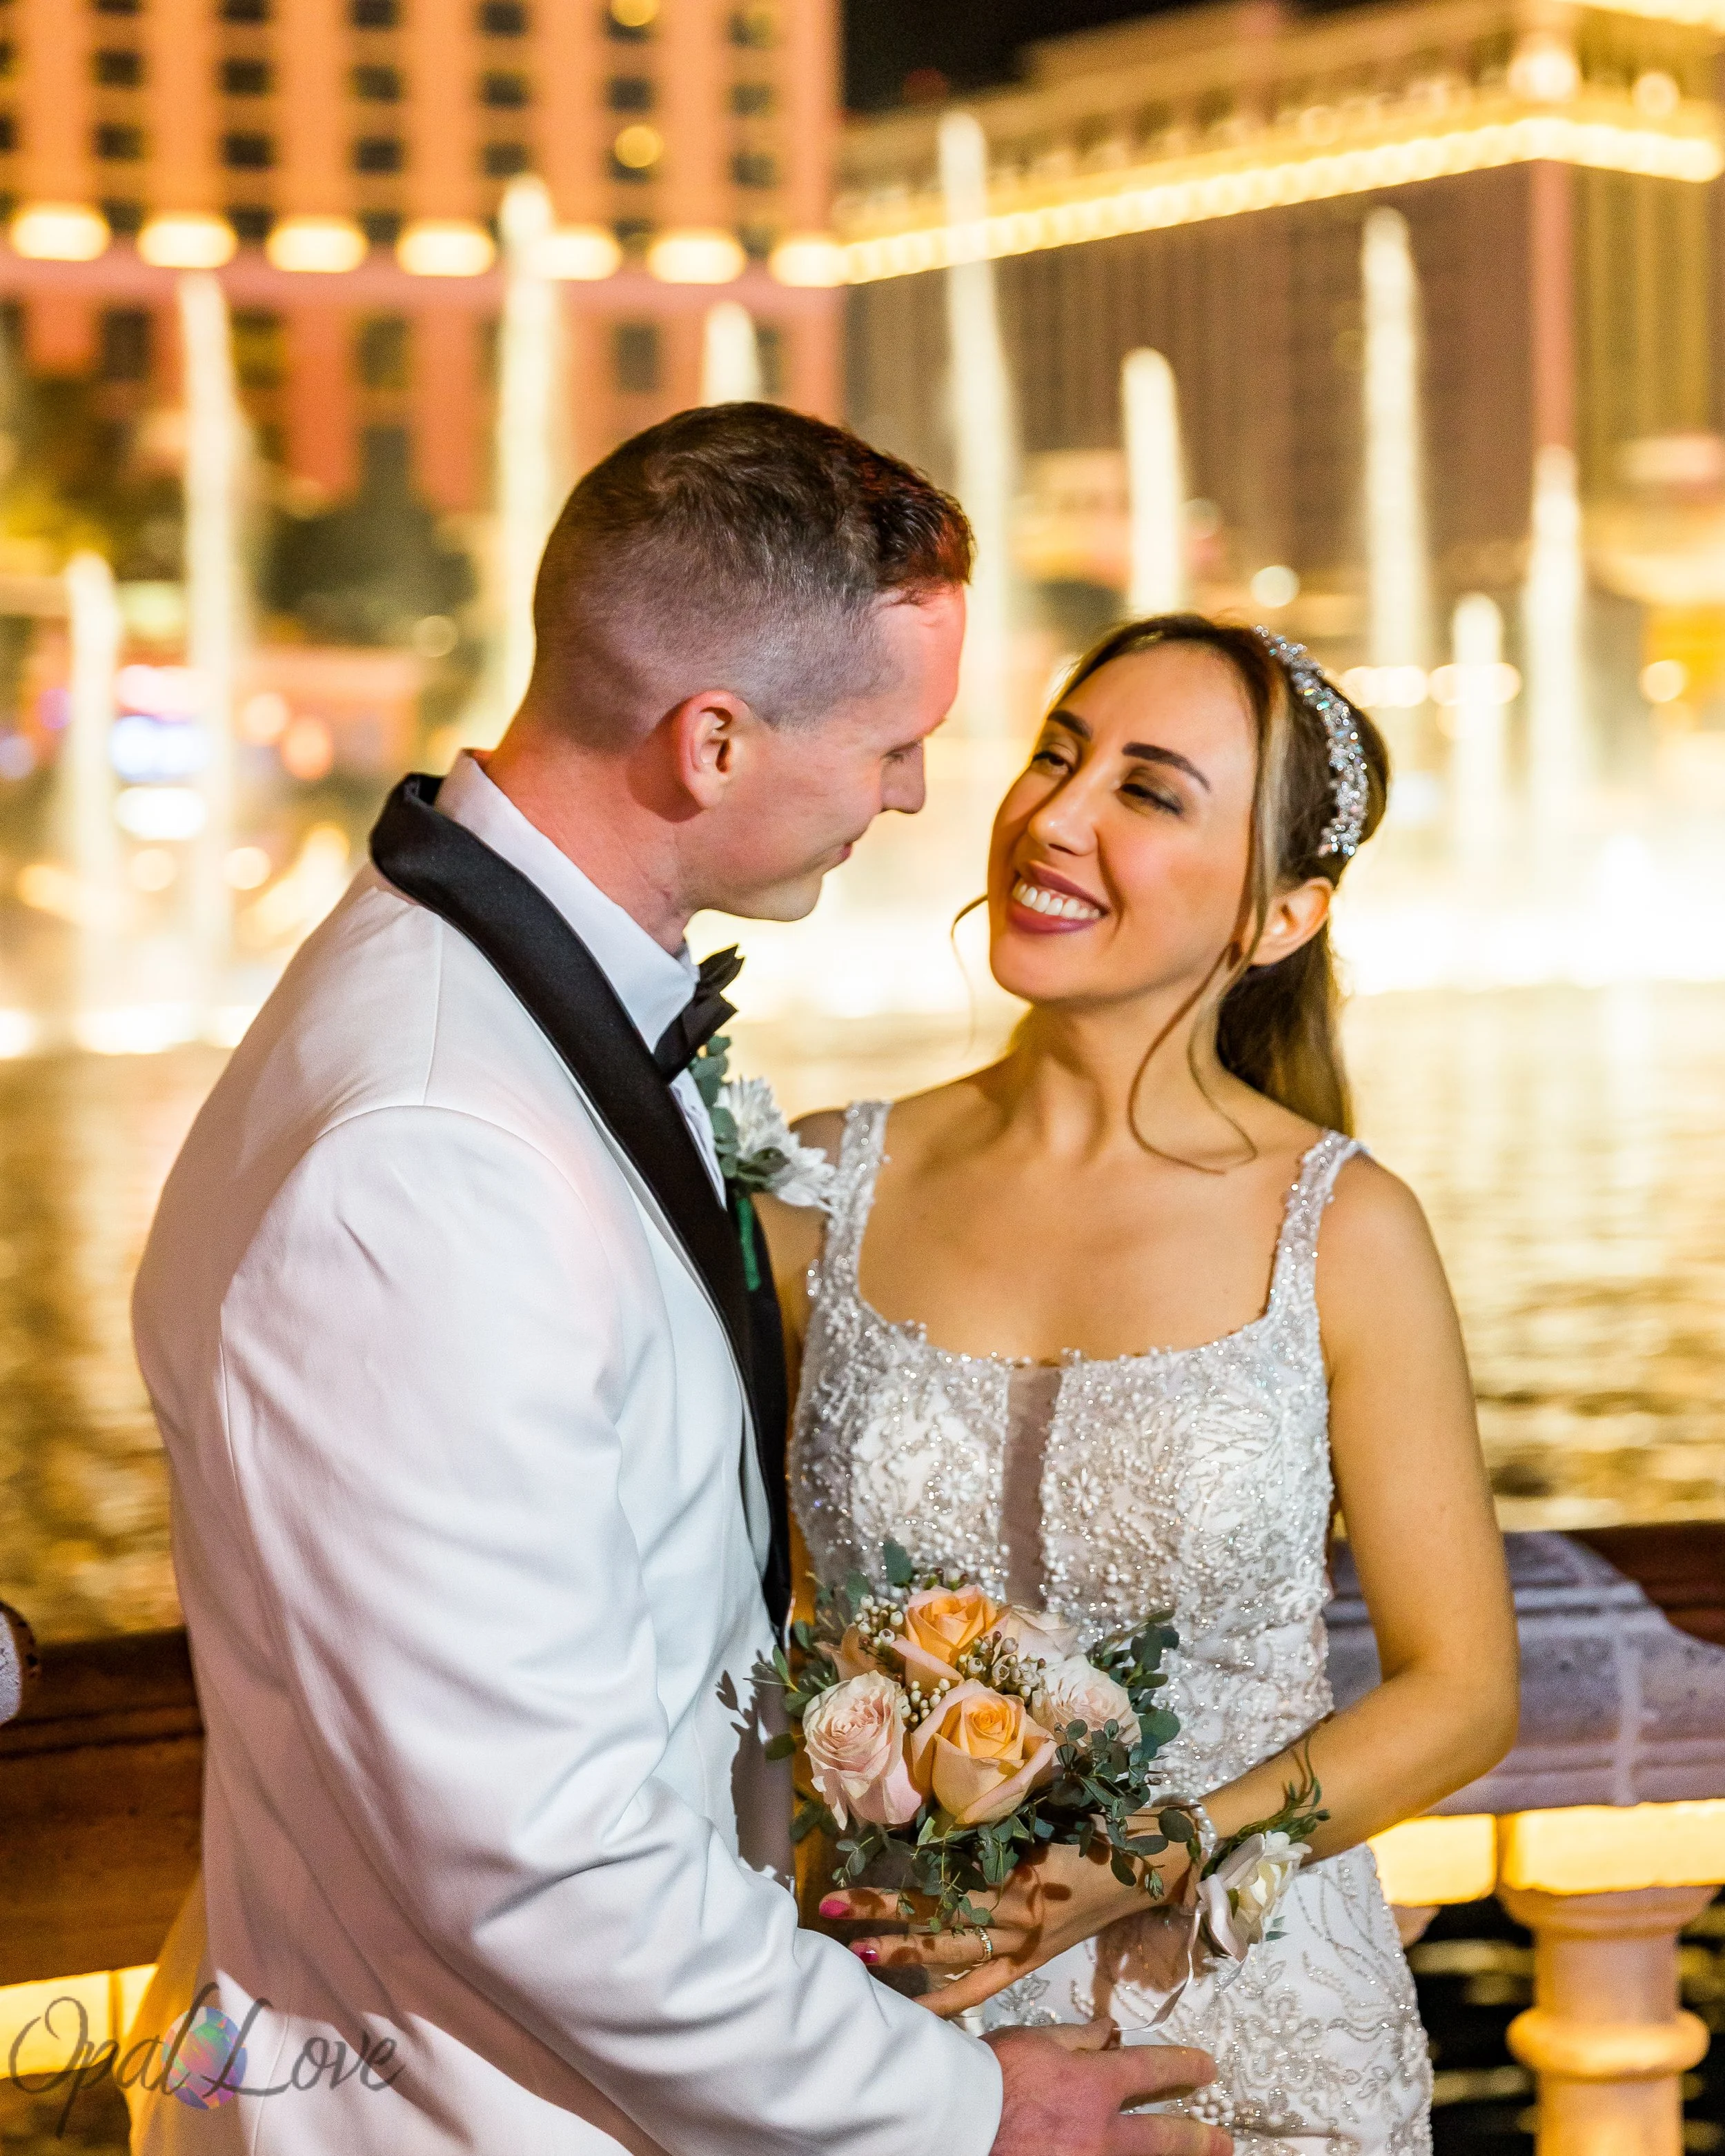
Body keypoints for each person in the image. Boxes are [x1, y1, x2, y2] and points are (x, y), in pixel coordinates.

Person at [128, 408, 1230, 2156]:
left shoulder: (463, 999)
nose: (913, 794)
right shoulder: (431, 1152)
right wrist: (954, 2110)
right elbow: (542, 1851)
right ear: (710, 739)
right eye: (890, 739)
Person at [766, 615, 1519, 2152]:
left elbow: (1461, 1690)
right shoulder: (816, 1187)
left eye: (1149, 790)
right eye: (1059, 750)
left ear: (1280, 913)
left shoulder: (1341, 1228)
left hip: (1256, 2028)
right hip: (894, 2031)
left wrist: (1132, 1859)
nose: (1054, 813)